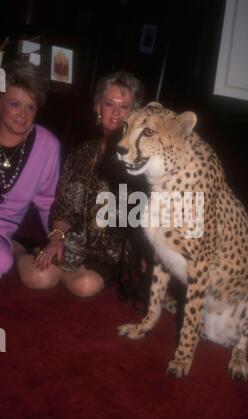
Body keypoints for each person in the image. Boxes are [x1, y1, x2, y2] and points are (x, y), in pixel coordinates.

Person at [17, 71, 145, 297]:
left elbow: (149, 215)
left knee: (84, 286)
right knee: (39, 278)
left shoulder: (141, 160)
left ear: (134, 113)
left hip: (113, 252)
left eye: (124, 106)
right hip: (75, 241)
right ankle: (18, 249)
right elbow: (65, 206)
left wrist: (148, 256)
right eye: (109, 104)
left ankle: (57, 267)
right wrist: (56, 239)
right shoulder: (83, 153)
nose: (116, 112)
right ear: (98, 108)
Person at [0, 60, 60, 280]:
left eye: (31, 107)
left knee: (2, 260)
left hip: (2, 231)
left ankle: (13, 250)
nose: (23, 115)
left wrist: (56, 238)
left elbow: (48, 202)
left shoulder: (47, 145)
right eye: (15, 104)